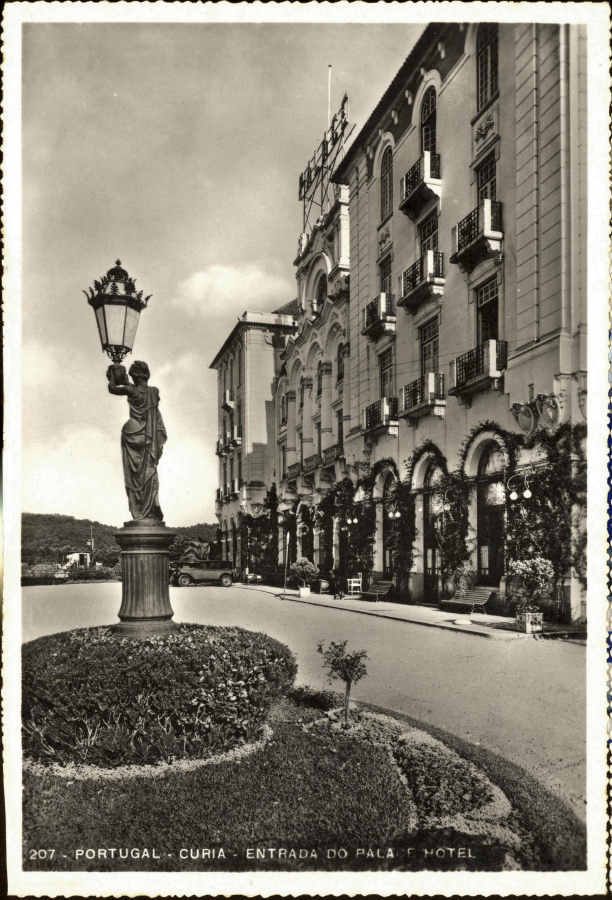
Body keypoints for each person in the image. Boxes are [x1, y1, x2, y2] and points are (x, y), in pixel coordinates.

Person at [107, 360, 167, 522]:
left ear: (134, 376)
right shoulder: (154, 392)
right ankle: (150, 507)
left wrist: (113, 374)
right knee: (150, 471)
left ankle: (139, 509)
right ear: (146, 375)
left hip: (131, 433)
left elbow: (112, 388)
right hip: (148, 437)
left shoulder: (131, 390)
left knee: (134, 475)